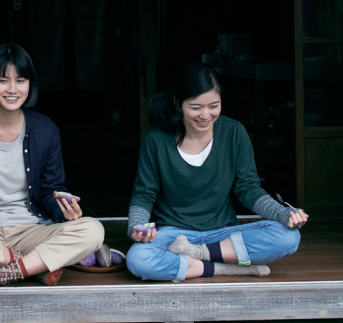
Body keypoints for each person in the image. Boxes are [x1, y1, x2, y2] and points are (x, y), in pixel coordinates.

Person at [0, 43, 106, 288]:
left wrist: (64, 210)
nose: (12, 89)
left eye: (21, 80)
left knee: (93, 230)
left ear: (30, 84)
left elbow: (50, 190)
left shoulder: (45, 129)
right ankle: (33, 267)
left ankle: (7, 270)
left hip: (32, 232)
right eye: (3, 80)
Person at [125, 61, 308, 282]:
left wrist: (282, 213)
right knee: (138, 259)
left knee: (288, 237)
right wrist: (137, 225)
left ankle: (198, 256)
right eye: (195, 107)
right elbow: (144, 194)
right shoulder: (156, 140)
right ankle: (224, 267)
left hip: (223, 234)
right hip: (173, 234)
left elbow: (249, 188)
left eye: (214, 106)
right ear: (178, 102)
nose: (205, 115)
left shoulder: (234, 132)